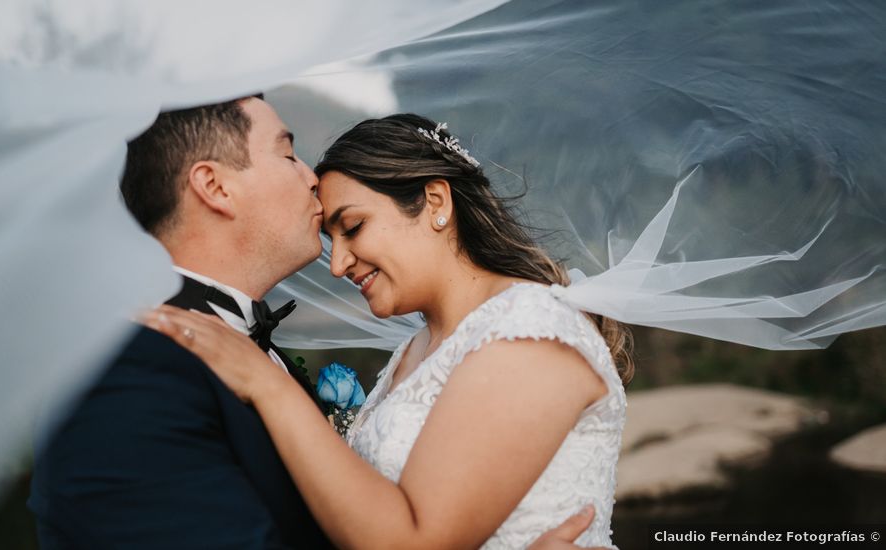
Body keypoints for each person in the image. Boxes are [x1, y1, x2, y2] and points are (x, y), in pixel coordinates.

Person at [30, 97, 600, 549]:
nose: (310, 178)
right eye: (287, 153)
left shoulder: (523, 329)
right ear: (215, 186)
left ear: (435, 201)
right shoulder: (128, 371)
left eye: (351, 226)